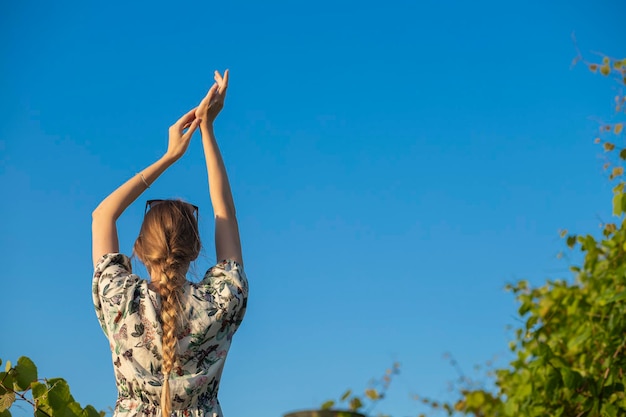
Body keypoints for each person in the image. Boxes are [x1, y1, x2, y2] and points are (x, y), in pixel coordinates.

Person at [91, 70, 247, 417]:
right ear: (193, 249)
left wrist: (169, 155)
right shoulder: (221, 301)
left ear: (138, 247)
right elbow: (225, 214)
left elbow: (102, 216)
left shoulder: (119, 298)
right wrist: (208, 129)